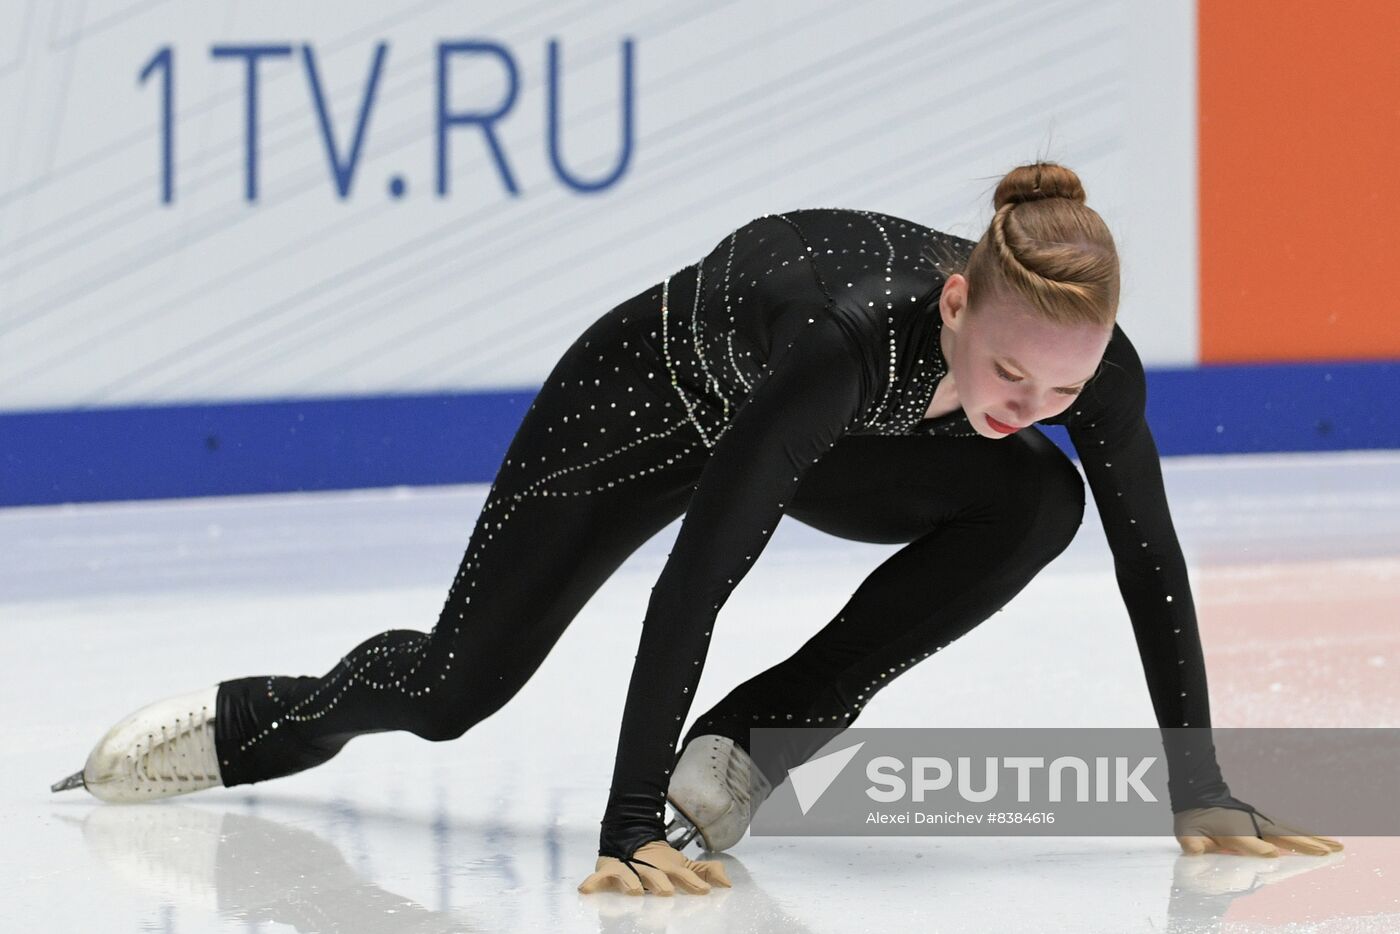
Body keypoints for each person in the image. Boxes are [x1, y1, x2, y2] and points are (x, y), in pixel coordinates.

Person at [53, 162, 1341, 897]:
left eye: (1062, 389)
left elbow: (1149, 557)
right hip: (641, 409)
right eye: (1014, 376)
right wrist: (625, 823)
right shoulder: (847, 343)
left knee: (1043, 502)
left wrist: (1198, 780)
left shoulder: (1075, 370)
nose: (1033, 406)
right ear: (957, 304)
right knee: (456, 690)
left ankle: (749, 742)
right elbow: (700, 577)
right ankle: (247, 720)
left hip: (842, 440)